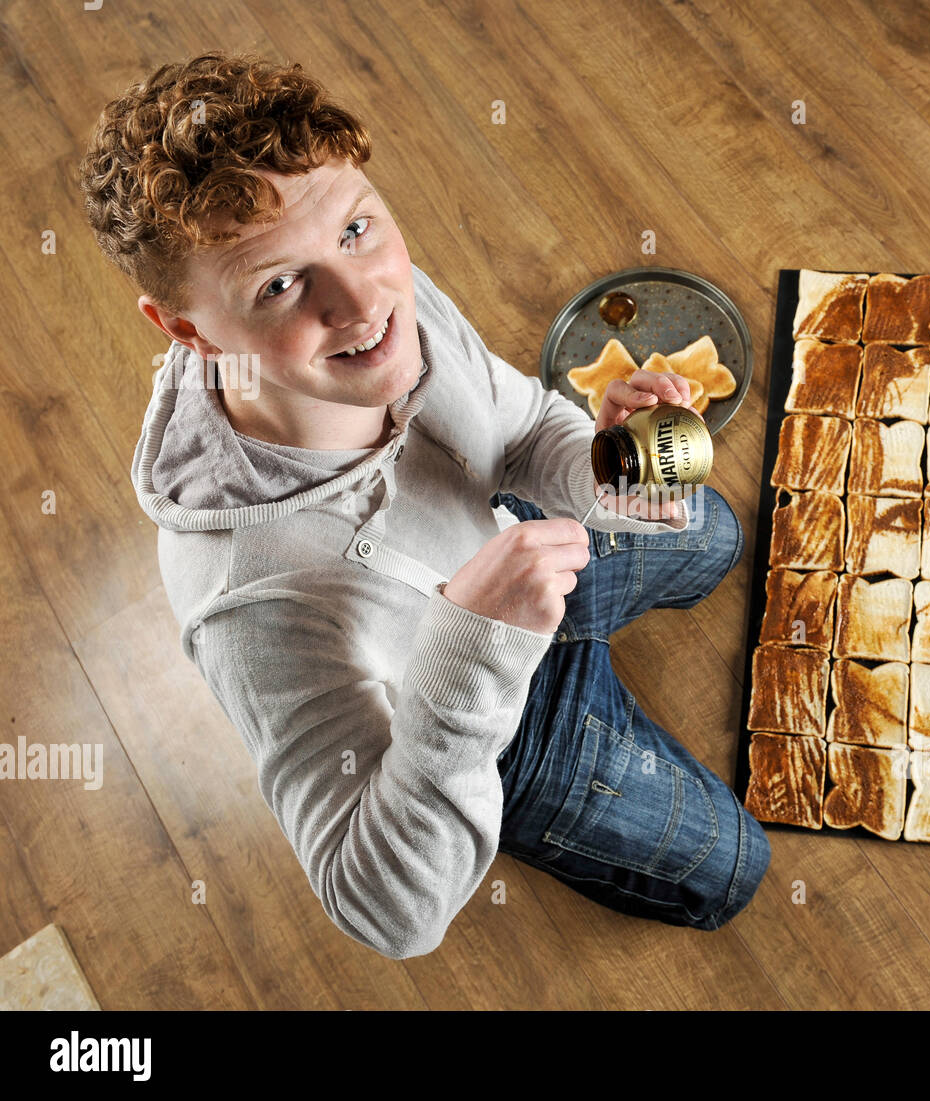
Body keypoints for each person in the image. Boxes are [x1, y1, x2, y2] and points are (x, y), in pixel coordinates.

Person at [77, 51, 770, 959]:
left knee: (705, 524)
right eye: (280, 286)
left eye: (359, 230)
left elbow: (519, 434)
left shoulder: (375, 297)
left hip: (519, 549)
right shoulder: (247, 602)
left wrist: (606, 460)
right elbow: (388, 912)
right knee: (734, 871)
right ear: (185, 328)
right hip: (485, 731)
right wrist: (471, 655)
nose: (364, 303)